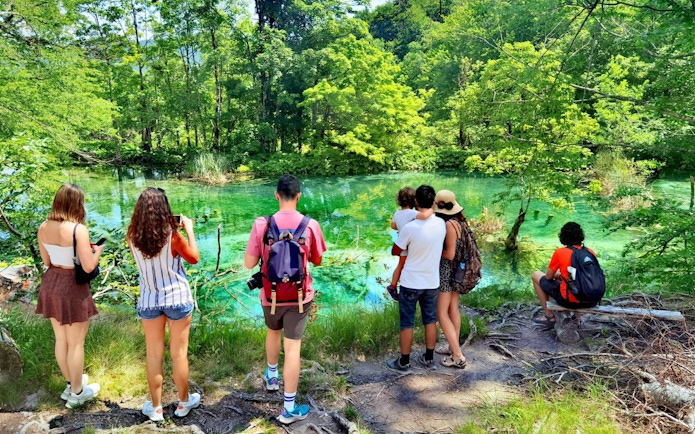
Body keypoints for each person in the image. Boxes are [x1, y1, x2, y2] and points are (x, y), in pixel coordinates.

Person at [244, 174, 326, 424]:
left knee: (272, 333)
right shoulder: (310, 225)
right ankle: (288, 408)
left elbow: (249, 263)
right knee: (293, 349)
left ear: (276, 195)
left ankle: (271, 377)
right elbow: (317, 260)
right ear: (299, 196)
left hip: (270, 296)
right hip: (300, 298)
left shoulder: (262, 223)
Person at [127, 187, 201, 422]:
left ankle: (156, 408)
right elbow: (194, 258)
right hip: (177, 298)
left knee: (153, 356)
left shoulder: (131, 237)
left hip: (149, 300)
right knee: (179, 355)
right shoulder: (174, 236)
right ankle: (183, 403)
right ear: (164, 210)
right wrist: (188, 230)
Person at [36, 184, 104, 408]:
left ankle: (70, 384)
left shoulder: (43, 226)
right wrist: (97, 253)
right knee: (76, 343)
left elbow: (46, 262)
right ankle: (78, 393)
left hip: (51, 282)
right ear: (77, 204)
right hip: (72, 286)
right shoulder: (78, 229)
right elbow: (87, 266)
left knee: (61, 339)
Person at [387, 185, 446, 372]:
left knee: (407, 322)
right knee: (430, 320)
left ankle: (404, 362)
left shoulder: (411, 228)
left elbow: (396, 250)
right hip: (431, 282)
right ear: (433, 202)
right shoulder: (441, 224)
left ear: (416, 202)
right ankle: (429, 358)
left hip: (411, 282)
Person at [531, 221, 598, 327]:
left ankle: (549, 316)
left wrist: (557, 274)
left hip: (568, 301)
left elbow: (548, 277)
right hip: (591, 300)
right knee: (572, 280)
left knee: (535, 275)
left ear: (563, 236)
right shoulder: (590, 252)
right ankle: (577, 318)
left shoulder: (560, 252)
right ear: (581, 235)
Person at [433, 190, 467, 369]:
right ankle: (453, 348)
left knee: (441, 313)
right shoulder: (460, 221)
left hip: (448, 272)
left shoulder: (448, 225)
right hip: (458, 272)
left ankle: (458, 356)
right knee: (453, 309)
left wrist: (433, 251)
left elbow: (450, 254)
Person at [386, 187, 433, 300]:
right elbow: (425, 216)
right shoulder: (413, 213)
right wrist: (432, 209)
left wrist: (400, 226)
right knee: (403, 265)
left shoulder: (398, 213)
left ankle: (393, 285)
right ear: (414, 200)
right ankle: (393, 286)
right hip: (407, 245)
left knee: (401, 265)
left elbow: (393, 226)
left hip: (402, 242)